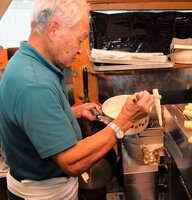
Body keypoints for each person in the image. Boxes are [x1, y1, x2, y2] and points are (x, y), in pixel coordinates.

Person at [0, 0, 154, 199]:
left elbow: (32, 121)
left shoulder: (28, 62)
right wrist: (124, 121)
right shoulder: (34, 83)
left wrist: (73, 112)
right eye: (80, 39)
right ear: (53, 29)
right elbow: (70, 162)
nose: (81, 50)